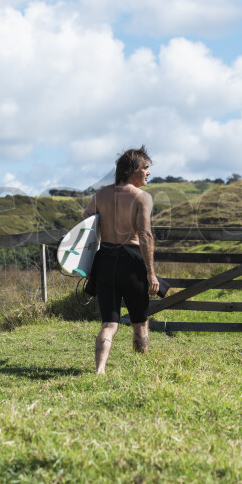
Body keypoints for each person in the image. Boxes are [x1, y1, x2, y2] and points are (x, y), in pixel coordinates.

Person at [82, 145, 159, 374]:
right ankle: (141, 368)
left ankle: (100, 369)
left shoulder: (100, 195)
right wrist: (151, 273)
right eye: (145, 168)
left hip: (105, 260)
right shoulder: (142, 198)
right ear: (133, 170)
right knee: (140, 321)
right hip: (132, 262)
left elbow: (86, 221)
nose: (148, 172)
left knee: (109, 324)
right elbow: (145, 235)